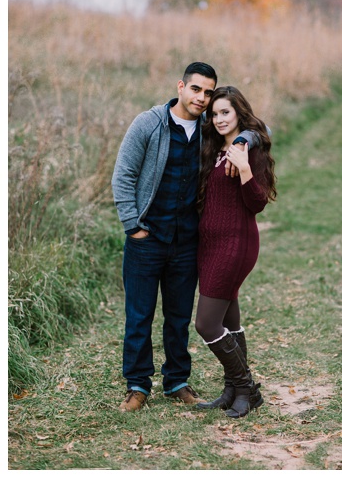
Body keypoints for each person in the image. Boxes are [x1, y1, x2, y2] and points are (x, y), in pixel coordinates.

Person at [112, 62, 258, 412]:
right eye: (196, 89)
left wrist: (241, 139)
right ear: (181, 86)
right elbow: (123, 175)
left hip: (187, 243)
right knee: (139, 316)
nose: (202, 98)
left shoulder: (209, 129)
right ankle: (137, 386)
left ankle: (176, 381)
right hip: (147, 239)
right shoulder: (149, 123)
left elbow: (254, 128)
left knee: (178, 318)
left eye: (209, 92)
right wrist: (133, 226)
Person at [192, 86, 277, 418]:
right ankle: (231, 390)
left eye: (225, 112)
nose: (218, 119)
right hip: (210, 246)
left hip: (235, 245)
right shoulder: (215, 146)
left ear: (239, 112)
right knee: (229, 320)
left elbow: (257, 203)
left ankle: (246, 389)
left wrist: (243, 167)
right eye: (214, 114)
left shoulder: (247, 151)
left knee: (206, 324)